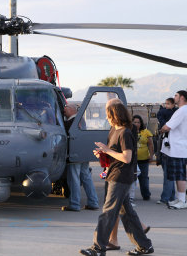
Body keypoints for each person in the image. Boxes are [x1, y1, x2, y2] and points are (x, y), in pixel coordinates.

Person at [80, 102, 153, 256]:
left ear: (115, 115)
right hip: (114, 173)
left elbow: (127, 158)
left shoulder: (126, 132)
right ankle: (145, 245)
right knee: (127, 213)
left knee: (108, 212)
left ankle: (98, 248)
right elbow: (115, 152)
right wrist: (103, 153)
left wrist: (107, 150)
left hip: (121, 176)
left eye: (108, 115)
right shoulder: (114, 130)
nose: (107, 118)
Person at [62, 104, 99, 212]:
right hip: (83, 153)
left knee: (73, 179)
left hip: (74, 154)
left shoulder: (70, 122)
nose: (64, 110)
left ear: (72, 110)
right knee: (86, 177)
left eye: (66, 108)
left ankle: (74, 204)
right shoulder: (82, 120)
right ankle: (93, 202)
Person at [160, 90, 187, 209]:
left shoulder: (181, 110)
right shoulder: (182, 110)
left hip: (178, 148)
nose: (174, 97)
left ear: (182, 97)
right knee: (178, 175)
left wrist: (161, 129)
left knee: (180, 175)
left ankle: (182, 200)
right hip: (180, 147)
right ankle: (180, 198)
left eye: (176, 95)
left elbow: (167, 127)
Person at [156, 97, 177, 205]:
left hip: (167, 148)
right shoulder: (177, 113)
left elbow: (164, 126)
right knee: (170, 174)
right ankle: (172, 196)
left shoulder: (164, 112)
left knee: (168, 174)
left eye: (168, 103)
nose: (166, 105)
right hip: (173, 147)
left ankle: (165, 198)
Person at [132, 115, 154, 200]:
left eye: (138, 122)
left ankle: (146, 194)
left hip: (143, 159)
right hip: (133, 160)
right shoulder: (129, 131)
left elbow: (150, 144)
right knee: (131, 178)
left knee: (144, 178)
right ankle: (130, 196)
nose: (136, 124)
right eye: (135, 122)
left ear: (141, 123)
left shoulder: (146, 132)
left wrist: (151, 155)